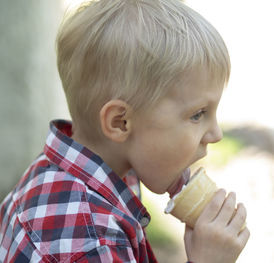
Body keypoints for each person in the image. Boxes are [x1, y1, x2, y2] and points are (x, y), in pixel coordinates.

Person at [0, 0, 250, 262]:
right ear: (120, 122)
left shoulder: (57, 174)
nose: (216, 134)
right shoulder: (91, 241)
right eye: (197, 114)